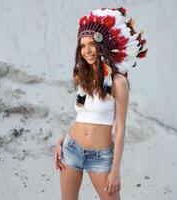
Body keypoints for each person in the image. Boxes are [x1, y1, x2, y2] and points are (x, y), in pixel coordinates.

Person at [53, 7, 147, 200]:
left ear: (101, 45)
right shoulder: (82, 77)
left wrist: (115, 170)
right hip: (72, 149)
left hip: (101, 157)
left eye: (91, 44)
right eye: (82, 46)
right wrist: (61, 140)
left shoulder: (118, 82)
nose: (87, 51)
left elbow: (120, 128)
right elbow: (82, 116)